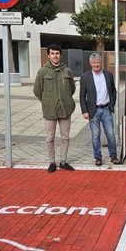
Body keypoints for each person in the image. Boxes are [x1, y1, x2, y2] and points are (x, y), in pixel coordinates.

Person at [33, 44, 76, 173]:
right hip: (49, 110)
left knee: (65, 137)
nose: (55, 56)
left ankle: (63, 162)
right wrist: (47, 101)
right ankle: (52, 162)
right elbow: (37, 90)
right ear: (48, 55)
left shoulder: (67, 71)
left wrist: (66, 99)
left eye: (57, 53)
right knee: (50, 138)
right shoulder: (43, 71)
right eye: (52, 53)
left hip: (65, 109)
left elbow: (72, 88)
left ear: (60, 55)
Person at [79, 52, 119, 166]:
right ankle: (98, 157)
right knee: (95, 135)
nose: (96, 64)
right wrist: (84, 111)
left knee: (110, 134)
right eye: (94, 62)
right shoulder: (85, 77)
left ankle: (113, 156)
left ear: (101, 63)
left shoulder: (108, 75)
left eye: (98, 62)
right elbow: (82, 96)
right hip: (93, 111)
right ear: (90, 63)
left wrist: (112, 104)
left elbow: (113, 91)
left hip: (106, 109)